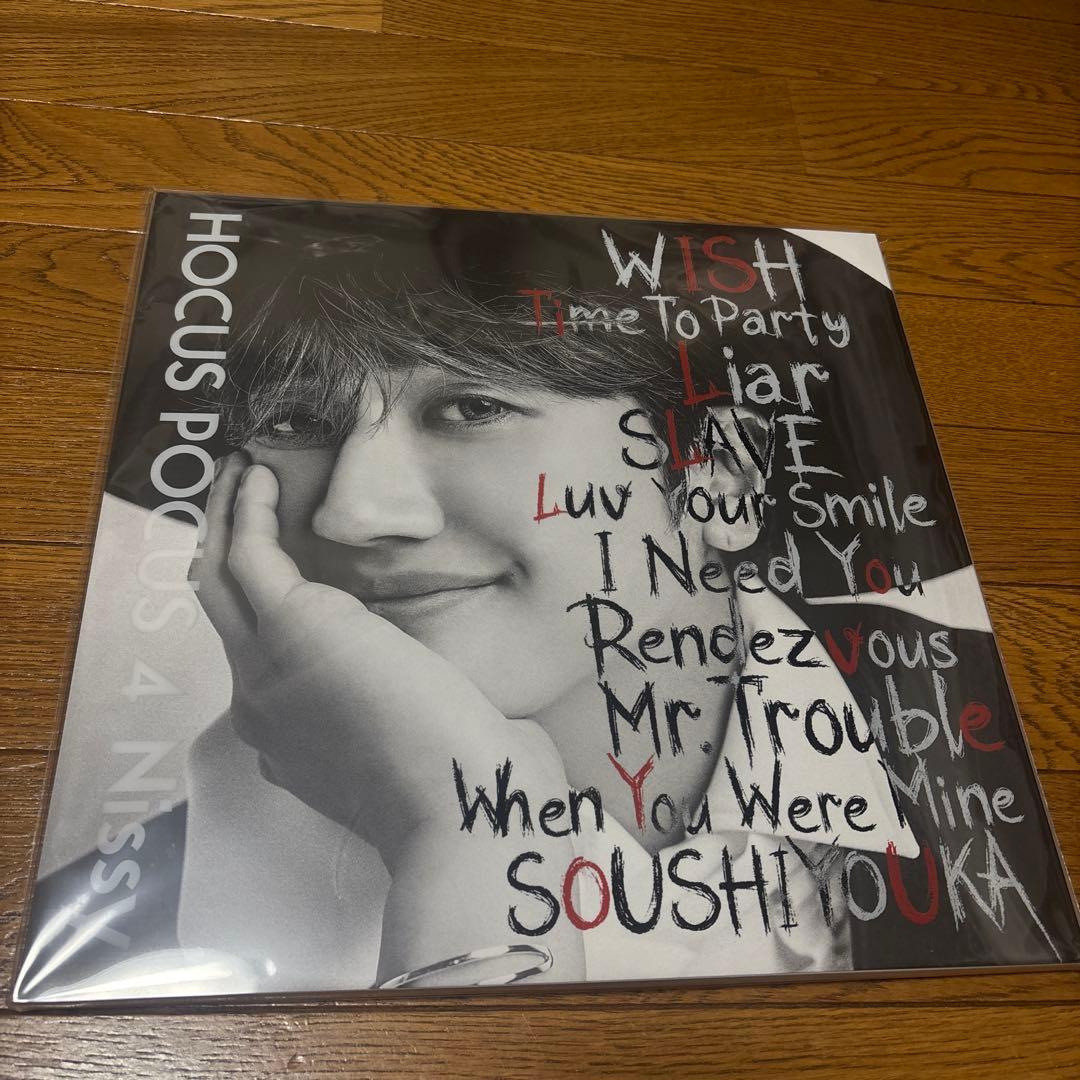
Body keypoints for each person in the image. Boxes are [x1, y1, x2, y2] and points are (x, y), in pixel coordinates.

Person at [19, 212, 1077, 1003]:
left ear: (717, 475)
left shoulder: (1013, 733)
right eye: (296, 422)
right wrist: (461, 839)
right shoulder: (128, 926)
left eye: (473, 406)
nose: (350, 512)